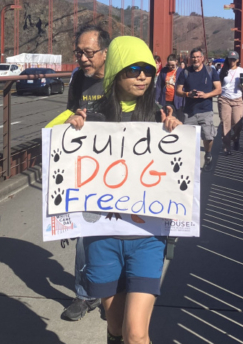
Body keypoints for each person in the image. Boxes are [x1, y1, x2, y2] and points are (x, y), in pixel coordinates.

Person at [68, 36, 181, 344]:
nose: (142, 75)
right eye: (133, 69)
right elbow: (67, 167)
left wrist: (176, 136)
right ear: (117, 71)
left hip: (147, 238)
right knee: (116, 329)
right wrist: (72, 126)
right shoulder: (92, 120)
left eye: (147, 69)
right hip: (103, 236)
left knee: (136, 334)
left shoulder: (161, 118)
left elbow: (173, 175)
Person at [60, 24, 111, 321]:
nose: (82, 59)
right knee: (85, 232)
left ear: (105, 53)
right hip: (88, 168)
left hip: (121, 169)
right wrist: (73, 119)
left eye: (89, 53)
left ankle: (114, 294)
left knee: (118, 234)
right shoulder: (78, 78)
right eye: (78, 52)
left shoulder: (122, 77)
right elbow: (69, 112)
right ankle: (84, 294)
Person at [175, 47, 221, 167]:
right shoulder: (185, 72)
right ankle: (190, 162)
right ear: (190, 59)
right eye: (193, 57)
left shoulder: (211, 71)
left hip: (206, 109)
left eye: (198, 57)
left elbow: (218, 89)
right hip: (189, 111)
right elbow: (178, 90)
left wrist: (206, 95)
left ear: (202, 58)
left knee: (208, 136)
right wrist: (187, 94)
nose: (195, 59)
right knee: (188, 138)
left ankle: (208, 154)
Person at [218, 51, 243, 154]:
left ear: (238, 60)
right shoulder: (222, 71)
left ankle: (235, 138)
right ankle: (226, 147)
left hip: (237, 100)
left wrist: (242, 84)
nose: (232, 61)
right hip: (224, 99)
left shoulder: (242, 72)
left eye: (234, 59)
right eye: (230, 59)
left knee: (238, 123)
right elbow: (218, 85)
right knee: (226, 123)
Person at [154, 53, 184, 118]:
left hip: (177, 100)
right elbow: (159, 86)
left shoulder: (181, 72)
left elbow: (184, 87)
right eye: (169, 65)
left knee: (177, 118)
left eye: (172, 65)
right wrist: (156, 99)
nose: (170, 67)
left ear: (176, 62)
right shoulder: (164, 71)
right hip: (165, 99)